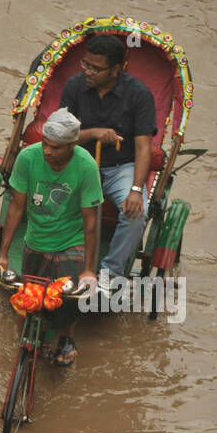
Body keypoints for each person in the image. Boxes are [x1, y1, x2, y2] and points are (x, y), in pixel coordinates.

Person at [0, 108, 103, 366]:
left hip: (70, 240)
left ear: (72, 145)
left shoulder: (86, 166)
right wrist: (3, 254)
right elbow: (16, 207)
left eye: (55, 147)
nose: (47, 152)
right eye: (44, 144)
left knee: (66, 299)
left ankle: (66, 336)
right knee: (29, 302)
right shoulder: (28, 158)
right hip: (37, 239)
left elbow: (90, 222)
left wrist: (89, 270)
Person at [59, 33, 158, 281]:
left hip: (120, 168)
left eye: (96, 68)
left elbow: (143, 147)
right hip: (79, 161)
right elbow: (62, 137)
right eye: (86, 65)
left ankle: (110, 272)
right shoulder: (74, 86)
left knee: (136, 213)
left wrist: (136, 189)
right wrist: (93, 133)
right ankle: (53, 256)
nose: (88, 72)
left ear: (116, 69)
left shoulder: (139, 94)